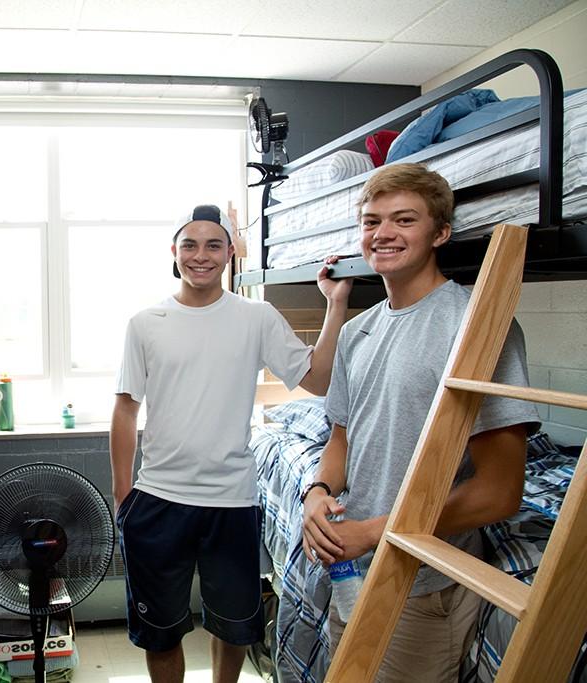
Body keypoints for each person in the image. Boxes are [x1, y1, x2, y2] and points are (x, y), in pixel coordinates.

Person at [301, 163, 539, 682]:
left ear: (440, 233)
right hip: (351, 568)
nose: (382, 233)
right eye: (371, 221)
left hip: (424, 583)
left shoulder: (475, 326)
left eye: (403, 220)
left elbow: (500, 492)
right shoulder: (357, 331)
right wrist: (317, 491)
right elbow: (342, 437)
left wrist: (377, 532)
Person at [111, 203, 352, 683]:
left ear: (229, 254)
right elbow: (125, 409)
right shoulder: (146, 323)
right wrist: (123, 498)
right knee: (160, 631)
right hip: (158, 500)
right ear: (175, 252)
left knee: (235, 626)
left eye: (213, 245)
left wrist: (335, 303)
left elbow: (320, 379)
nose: (201, 255)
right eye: (190, 245)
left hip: (232, 501)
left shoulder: (256, 317)